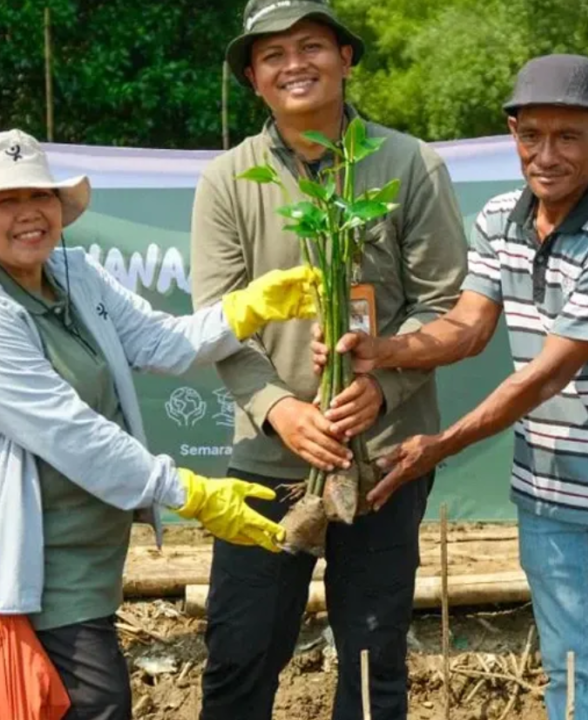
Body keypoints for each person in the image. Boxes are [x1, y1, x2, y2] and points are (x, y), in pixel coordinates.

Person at [315, 55, 588, 719]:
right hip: (548, 494)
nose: (547, 155)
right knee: (571, 677)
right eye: (531, 135)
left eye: (568, 137)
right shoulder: (500, 217)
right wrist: (380, 350)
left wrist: (440, 446)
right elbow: (468, 328)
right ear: (513, 132)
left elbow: (546, 375)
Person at [0, 129, 321, 720]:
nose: (28, 212)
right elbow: (73, 434)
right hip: (38, 567)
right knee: (97, 703)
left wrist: (247, 308)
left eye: (39, 195)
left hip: (92, 557)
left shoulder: (74, 273)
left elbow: (161, 341)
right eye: (5, 201)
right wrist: (190, 492)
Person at [189, 1, 467, 718]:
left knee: (374, 664)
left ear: (345, 57)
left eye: (311, 45)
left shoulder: (409, 164)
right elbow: (218, 322)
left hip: (385, 460)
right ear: (253, 77)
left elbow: (443, 304)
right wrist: (281, 409)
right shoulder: (229, 179)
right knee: (240, 655)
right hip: (269, 461)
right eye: (272, 54)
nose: (294, 65)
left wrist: (385, 384)